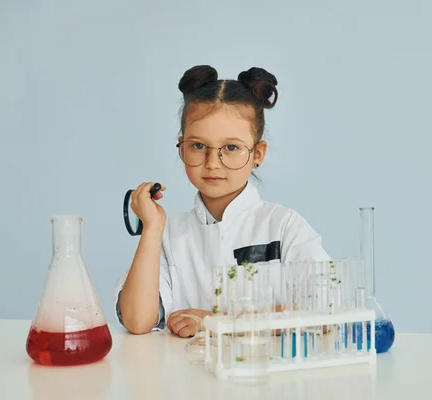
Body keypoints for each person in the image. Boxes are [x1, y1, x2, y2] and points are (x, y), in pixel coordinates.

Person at [115, 64, 331, 337]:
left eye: (231, 148)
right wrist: (152, 228)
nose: (212, 163)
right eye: (198, 146)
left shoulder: (284, 226)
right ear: (181, 146)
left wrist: (216, 321)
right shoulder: (168, 234)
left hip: (268, 376)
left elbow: (327, 311)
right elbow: (137, 320)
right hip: (185, 377)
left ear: (258, 153)